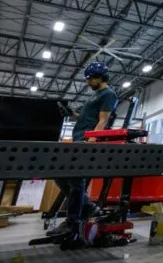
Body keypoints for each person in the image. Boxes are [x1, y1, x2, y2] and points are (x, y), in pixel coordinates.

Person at [47, 62, 118, 236]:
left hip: (88, 142)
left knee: (77, 181)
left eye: (90, 79)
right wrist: (71, 113)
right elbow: (86, 119)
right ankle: (87, 207)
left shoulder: (108, 94)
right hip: (79, 139)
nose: (87, 83)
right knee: (61, 177)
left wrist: (92, 141)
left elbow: (103, 120)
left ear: (99, 77)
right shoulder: (94, 96)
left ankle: (72, 221)